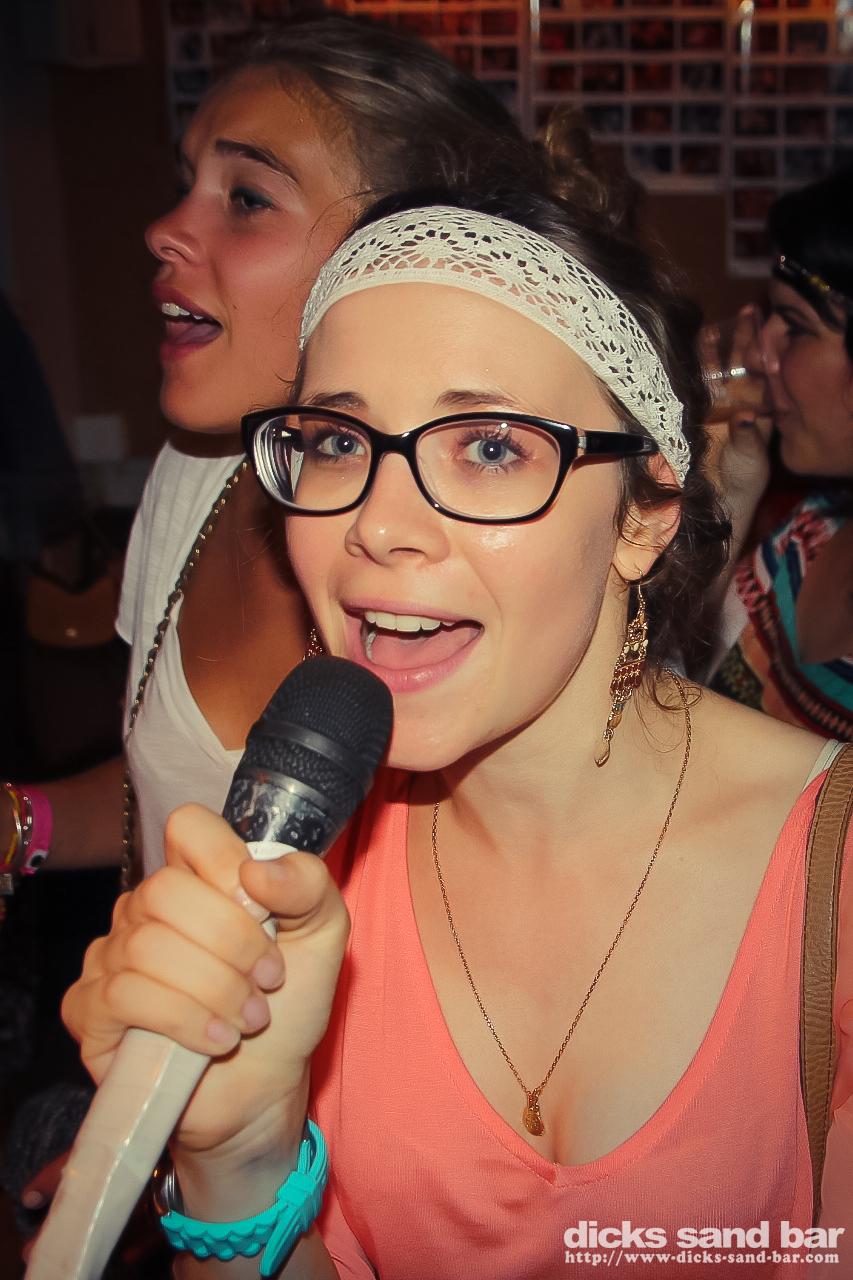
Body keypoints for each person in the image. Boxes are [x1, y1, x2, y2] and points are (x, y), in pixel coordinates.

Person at [65, 190, 853, 1279]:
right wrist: (237, 1161)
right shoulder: (291, 869)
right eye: (336, 441)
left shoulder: (830, 869)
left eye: (489, 445)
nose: (376, 524)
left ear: (642, 514)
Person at [0, 11, 547, 892]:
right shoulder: (192, 476)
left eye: (247, 199)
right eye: (186, 183)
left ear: (396, 255)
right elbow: (179, 793)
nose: (162, 229)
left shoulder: (482, 557)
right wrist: (23, 824)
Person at [705, 167, 853, 739]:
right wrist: (734, 485)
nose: (761, 354)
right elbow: (674, 690)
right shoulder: (812, 536)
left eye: (795, 326)